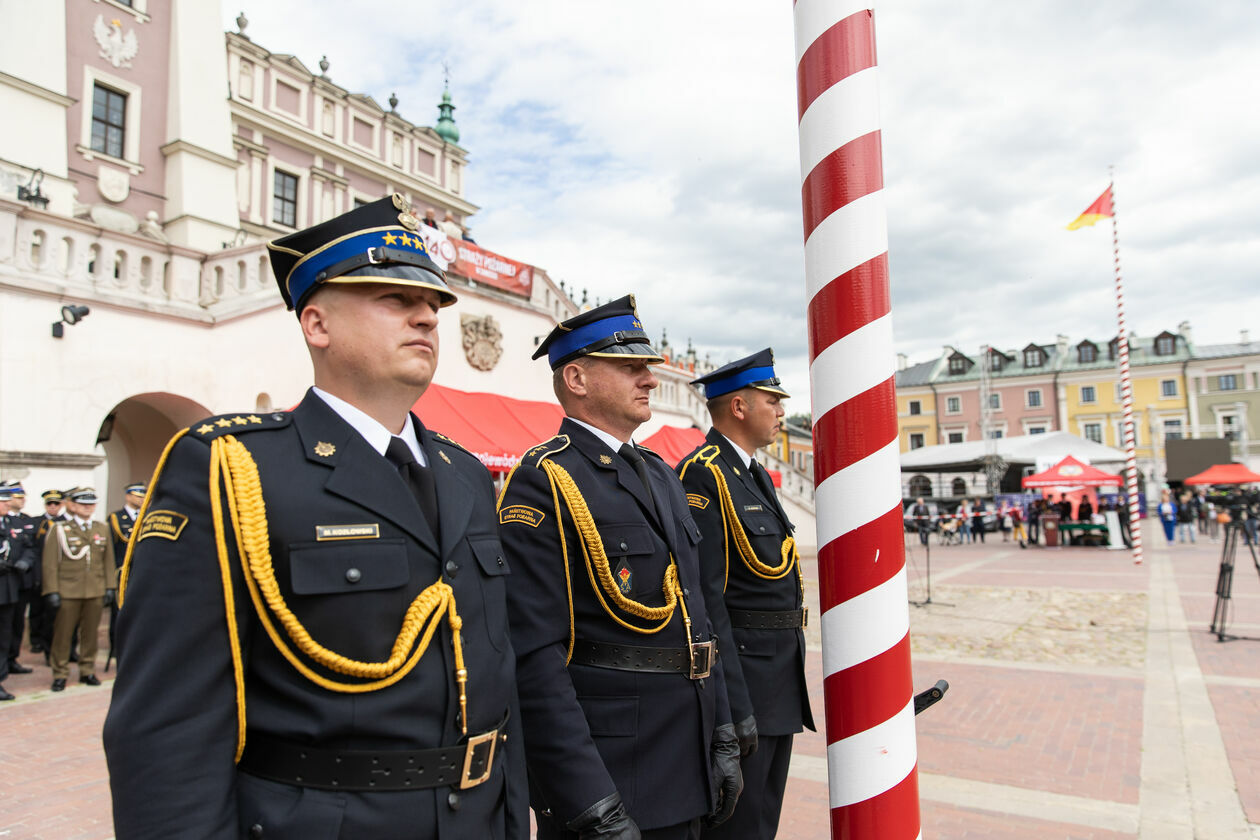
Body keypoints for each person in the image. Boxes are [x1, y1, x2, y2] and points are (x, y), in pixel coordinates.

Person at [103, 195, 527, 839]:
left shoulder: (462, 471)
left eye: (432, 305)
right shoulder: (233, 468)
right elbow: (168, 728)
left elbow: (497, 678)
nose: (425, 316)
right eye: (394, 298)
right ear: (317, 324)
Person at [497, 296, 742, 840]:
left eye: (647, 366)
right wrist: (590, 802)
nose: (650, 379)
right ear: (577, 379)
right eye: (630, 367)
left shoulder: (660, 473)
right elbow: (534, 657)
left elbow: (697, 617)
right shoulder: (545, 479)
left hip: (685, 755)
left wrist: (721, 730)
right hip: (612, 771)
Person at [677, 349, 814, 840]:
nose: (781, 411)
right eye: (772, 400)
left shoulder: (752, 473)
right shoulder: (704, 473)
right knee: (739, 826)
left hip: (777, 679)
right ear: (738, 407)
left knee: (762, 821)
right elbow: (708, 602)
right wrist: (734, 706)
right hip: (746, 684)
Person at [42, 487, 115, 691]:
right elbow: (50, 563)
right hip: (68, 590)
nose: (87, 508)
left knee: (90, 634)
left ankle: (87, 670)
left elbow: (108, 561)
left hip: (95, 589)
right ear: (72, 506)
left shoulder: (102, 528)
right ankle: (60, 673)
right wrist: (51, 590)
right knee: (63, 635)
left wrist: (110, 586)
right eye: (83, 504)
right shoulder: (60, 529)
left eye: (90, 504)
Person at [0, 484, 37, 700]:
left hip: (9, 587)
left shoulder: (14, 523)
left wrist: (25, 561)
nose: (8, 504)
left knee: (4, 635)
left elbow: (29, 547)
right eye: (3, 501)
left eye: (8, 501)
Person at [105, 482, 145, 658]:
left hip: (141, 571)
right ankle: (116, 645)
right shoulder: (116, 518)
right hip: (122, 572)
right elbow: (111, 548)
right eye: (137, 496)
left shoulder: (147, 516)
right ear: (128, 496)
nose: (141, 499)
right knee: (118, 611)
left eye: (143, 496)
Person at [30, 489, 70, 658]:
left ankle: (51, 645)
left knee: (53, 611)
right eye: (49, 503)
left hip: (58, 574)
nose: (53, 506)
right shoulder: (36, 522)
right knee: (36, 609)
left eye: (56, 503)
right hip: (39, 571)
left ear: (61, 505)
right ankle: (35, 640)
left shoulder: (66, 524)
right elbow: (33, 549)